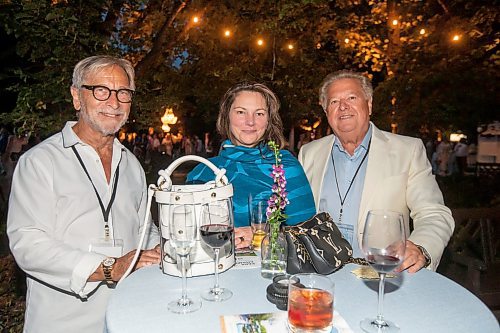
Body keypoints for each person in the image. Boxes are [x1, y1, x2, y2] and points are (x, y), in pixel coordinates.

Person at [7, 55, 160, 333]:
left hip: (127, 314)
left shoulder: (131, 165)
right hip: (62, 321)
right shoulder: (40, 161)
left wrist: (163, 249)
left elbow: (144, 231)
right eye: (101, 91)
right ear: (77, 97)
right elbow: (27, 244)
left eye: (123, 93)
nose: (114, 103)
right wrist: (107, 267)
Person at [298, 70, 454, 273]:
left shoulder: (407, 151)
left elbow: (434, 214)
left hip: (381, 274)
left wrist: (421, 247)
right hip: (319, 272)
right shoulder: (309, 153)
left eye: (352, 98)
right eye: (334, 101)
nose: (343, 106)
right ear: (326, 110)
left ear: (369, 104)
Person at [187, 82, 316, 248]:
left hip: (270, 270)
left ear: (269, 120)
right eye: (241, 112)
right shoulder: (202, 172)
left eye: (260, 114)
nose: (250, 122)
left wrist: (265, 235)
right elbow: (185, 236)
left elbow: (309, 234)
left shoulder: (285, 167)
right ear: (226, 116)